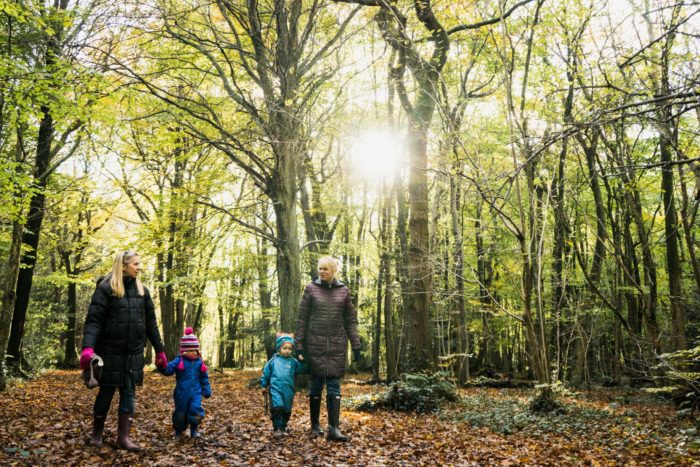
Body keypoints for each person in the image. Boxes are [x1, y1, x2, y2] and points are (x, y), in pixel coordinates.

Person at [80, 250, 168, 451]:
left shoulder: (142, 291)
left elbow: (151, 325)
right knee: (106, 393)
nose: (139, 267)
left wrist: (160, 351)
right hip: (109, 353)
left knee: (129, 394)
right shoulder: (105, 289)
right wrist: (87, 348)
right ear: (123, 266)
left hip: (133, 354)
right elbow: (94, 322)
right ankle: (97, 433)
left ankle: (123, 438)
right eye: (136, 264)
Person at [295, 256, 361, 442]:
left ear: (334, 271)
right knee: (316, 385)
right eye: (320, 268)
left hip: (337, 346)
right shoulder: (311, 289)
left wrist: (356, 345)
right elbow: (302, 320)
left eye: (325, 269)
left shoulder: (344, 291)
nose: (322, 272)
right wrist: (299, 346)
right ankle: (315, 426)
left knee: (334, 386)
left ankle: (334, 429)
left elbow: (350, 320)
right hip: (313, 344)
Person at [160, 327, 212, 440]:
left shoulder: (199, 362)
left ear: (197, 350)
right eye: (189, 351)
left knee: (195, 410)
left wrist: (206, 389)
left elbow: (204, 377)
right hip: (181, 393)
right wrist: (161, 365)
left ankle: (194, 431)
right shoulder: (179, 360)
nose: (192, 353)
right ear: (183, 351)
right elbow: (168, 370)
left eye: (194, 350)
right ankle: (178, 431)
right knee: (180, 413)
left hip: (196, 393)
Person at [260, 334, 305, 438]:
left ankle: (283, 427)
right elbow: (266, 373)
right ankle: (277, 428)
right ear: (279, 348)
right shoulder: (273, 361)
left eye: (289, 349)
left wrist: (302, 360)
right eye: (284, 348)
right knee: (278, 407)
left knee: (287, 410)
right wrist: (263, 385)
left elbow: (302, 369)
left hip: (288, 390)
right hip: (275, 389)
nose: (287, 351)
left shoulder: (293, 362)